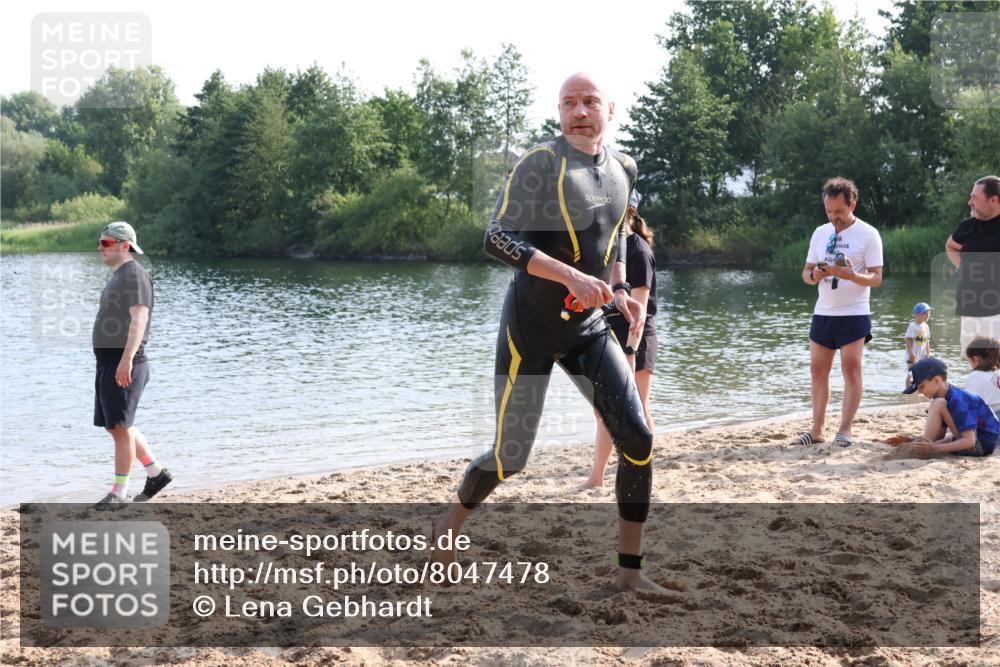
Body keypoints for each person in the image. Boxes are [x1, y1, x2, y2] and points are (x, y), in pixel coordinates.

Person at [432, 73, 668, 593]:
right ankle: (447, 528)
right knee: (510, 458)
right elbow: (495, 237)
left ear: (610, 107)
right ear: (559, 112)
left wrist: (621, 286)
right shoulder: (541, 164)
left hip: (587, 325)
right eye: (568, 103)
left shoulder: (624, 167)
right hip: (531, 327)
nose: (579, 111)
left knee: (638, 438)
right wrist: (570, 276)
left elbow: (620, 233)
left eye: (589, 102)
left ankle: (631, 574)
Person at [579, 190, 657, 489]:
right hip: (608, 337)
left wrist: (629, 352)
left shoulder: (637, 250)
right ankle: (597, 477)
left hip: (634, 341)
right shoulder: (607, 248)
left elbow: (639, 311)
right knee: (604, 411)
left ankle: (633, 473)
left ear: (630, 213)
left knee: (637, 411)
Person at [798, 178, 884, 447]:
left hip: (854, 312)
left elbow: (877, 278)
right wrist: (816, 274)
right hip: (824, 312)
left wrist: (852, 275)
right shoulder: (820, 233)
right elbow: (806, 274)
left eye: (838, 211)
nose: (833, 217)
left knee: (851, 368)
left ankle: (845, 429)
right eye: (829, 211)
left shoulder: (869, 234)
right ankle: (817, 429)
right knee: (817, 370)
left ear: (852, 205)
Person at [93, 222, 172, 507]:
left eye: (104, 243)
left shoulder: (135, 276)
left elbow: (139, 321)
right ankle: (156, 472)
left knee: (121, 427)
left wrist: (126, 359)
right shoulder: (119, 276)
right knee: (116, 426)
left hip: (126, 361)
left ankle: (118, 492)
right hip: (109, 362)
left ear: (123, 245)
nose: (99, 247)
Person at [896, 358, 998, 458]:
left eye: (922, 386)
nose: (920, 392)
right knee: (938, 405)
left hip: (982, 445)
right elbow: (940, 435)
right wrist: (912, 439)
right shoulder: (944, 397)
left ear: (936, 380)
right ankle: (921, 446)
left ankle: (922, 452)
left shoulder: (958, 400)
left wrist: (935, 448)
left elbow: (969, 441)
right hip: (977, 438)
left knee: (937, 404)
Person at [945, 175, 1000, 355]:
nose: (970, 202)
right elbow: (950, 245)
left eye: (975, 197)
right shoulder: (967, 226)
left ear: (994, 200)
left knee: (995, 364)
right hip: (969, 308)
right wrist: (963, 267)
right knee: (973, 362)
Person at [964, 337, 1000, 412]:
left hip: (989, 420)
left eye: (969, 361)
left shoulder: (975, 376)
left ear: (976, 359)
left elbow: (969, 404)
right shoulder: (997, 374)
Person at [904, 302, 933, 387]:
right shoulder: (913, 326)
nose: (928, 315)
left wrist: (928, 352)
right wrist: (911, 354)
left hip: (922, 355)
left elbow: (927, 341)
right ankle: (908, 389)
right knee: (911, 373)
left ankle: (917, 388)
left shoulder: (926, 326)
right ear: (918, 314)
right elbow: (908, 340)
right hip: (912, 355)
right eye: (926, 313)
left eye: (929, 313)